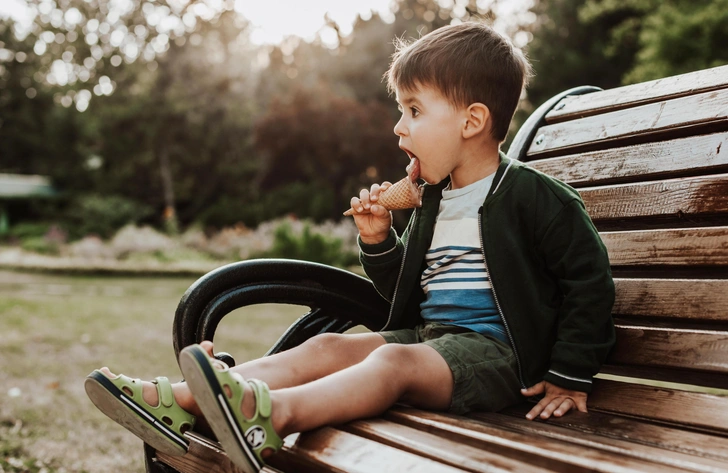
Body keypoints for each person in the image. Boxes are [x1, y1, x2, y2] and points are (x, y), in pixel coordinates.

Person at [85, 22, 615, 473]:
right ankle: (178, 401)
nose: (398, 126)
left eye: (413, 111)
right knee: (328, 348)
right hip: (431, 339)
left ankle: (271, 417)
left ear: (471, 121)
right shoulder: (434, 199)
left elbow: (588, 283)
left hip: (500, 358)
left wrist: (568, 377)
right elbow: (406, 294)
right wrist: (379, 240)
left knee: (393, 367)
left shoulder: (533, 198)